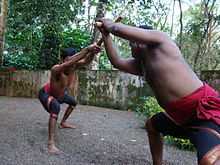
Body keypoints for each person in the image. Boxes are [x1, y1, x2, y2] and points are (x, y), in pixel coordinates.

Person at [96, 19, 220, 165]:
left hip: (204, 112)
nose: (130, 48)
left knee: (209, 161)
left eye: (131, 44)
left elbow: (115, 27)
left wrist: (107, 24)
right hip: (180, 116)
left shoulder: (162, 41)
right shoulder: (140, 65)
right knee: (153, 125)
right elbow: (116, 62)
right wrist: (106, 35)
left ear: (139, 40)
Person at [38, 43, 101, 154]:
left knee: (73, 102)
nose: (72, 63)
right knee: (55, 107)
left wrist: (92, 53)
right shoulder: (56, 69)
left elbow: (86, 61)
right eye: (69, 60)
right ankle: (50, 144)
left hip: (61, 95)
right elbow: (72, 61)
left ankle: (63, 122)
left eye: (74, 60)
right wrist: (87, 49)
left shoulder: (74, 65)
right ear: (62, 60)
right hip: (47, 94)